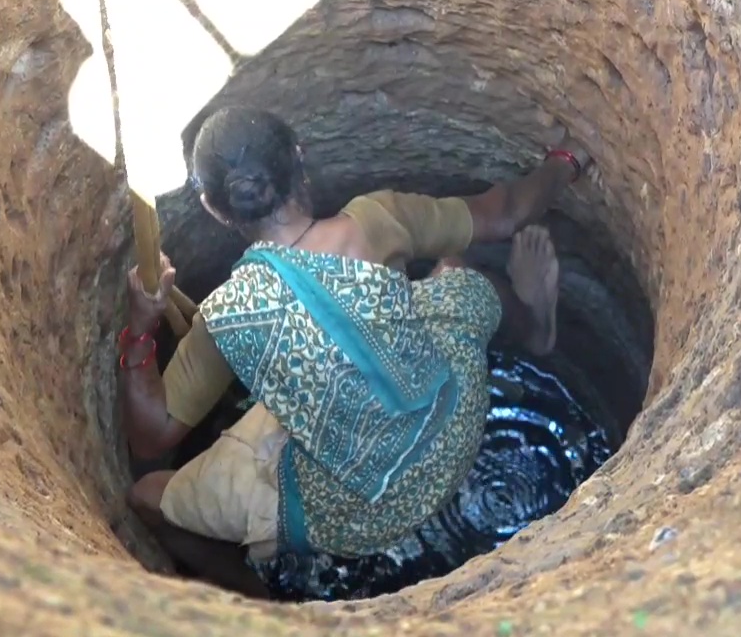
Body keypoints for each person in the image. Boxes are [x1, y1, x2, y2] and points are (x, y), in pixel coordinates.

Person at [118, 106, 590, 580]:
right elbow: (506, 214)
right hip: (454, 418)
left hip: (353, 515)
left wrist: (141, 327)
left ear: (213, 209)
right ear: (299, 159)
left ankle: (250, 601)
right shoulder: (376, 220)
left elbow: (151, 438)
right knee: (455, 271)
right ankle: (535, 331)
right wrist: (563, 163)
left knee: (148, 498)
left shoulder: (227, 316)